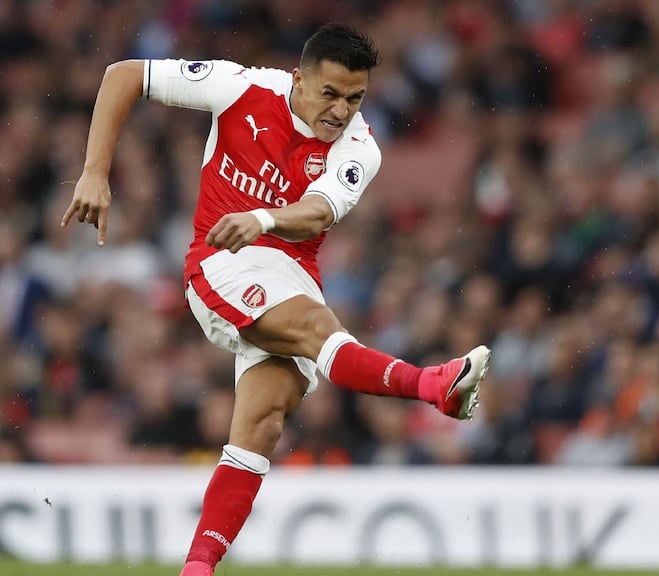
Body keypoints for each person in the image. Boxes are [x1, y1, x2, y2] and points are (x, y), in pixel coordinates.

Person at [61, 23, 491, 576]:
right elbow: (123, 76)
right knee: (318, 329)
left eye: (355, 98)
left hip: (291, 272)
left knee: (260, 427)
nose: (341, 111)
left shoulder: (360, 147)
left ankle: (198, 567)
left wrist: (263, 218)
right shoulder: (240, 87)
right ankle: (434, 386)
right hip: (219, 262)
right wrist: (95, 173)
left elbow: (318, 211)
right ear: (298, 79)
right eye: (330, 94)